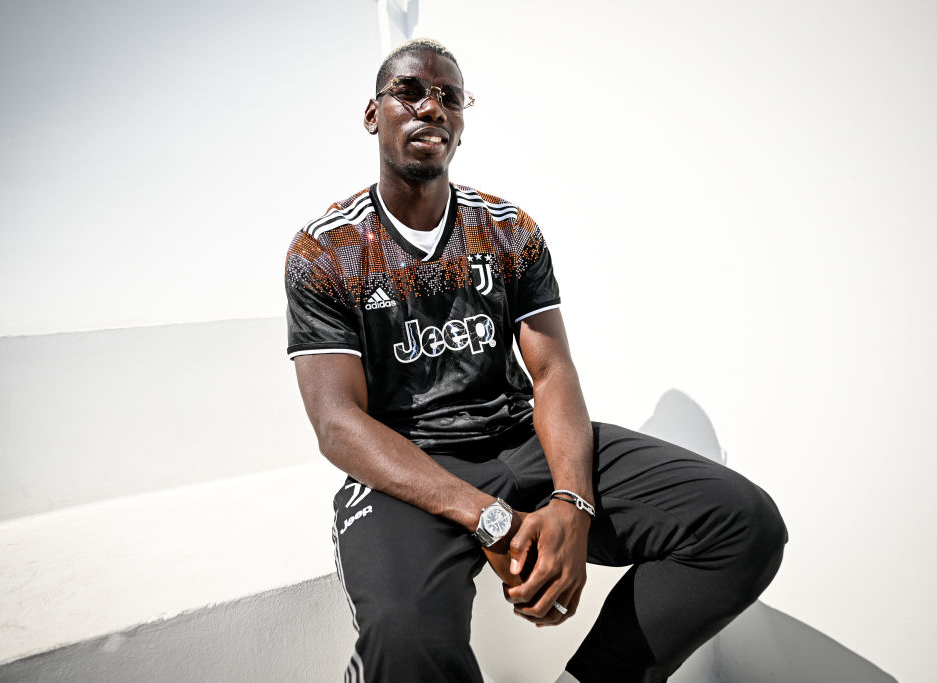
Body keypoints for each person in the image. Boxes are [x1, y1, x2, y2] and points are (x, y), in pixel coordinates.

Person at [283, 37, 787, 683]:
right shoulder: (326, 249)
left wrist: (573, 502)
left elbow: (551, 372)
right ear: (372, 114)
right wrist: (487, 517)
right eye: (409, 91)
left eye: (449, 97)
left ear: (461, 121)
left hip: (519, 442)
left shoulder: (508, 228)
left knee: (742, 525)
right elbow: (338, 423)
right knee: (404, 640)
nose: (431, 107)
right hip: (407, 464)